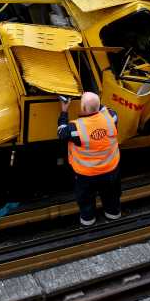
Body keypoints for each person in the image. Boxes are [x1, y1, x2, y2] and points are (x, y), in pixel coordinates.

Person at [57, 92, 121, 226]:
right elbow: (103, 109)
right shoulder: (112, 117)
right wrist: (92, 101)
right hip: (110, 170)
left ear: (84, 108)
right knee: (111, 195)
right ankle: (113, 214)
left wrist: (64, 110)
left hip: (86, 175)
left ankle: (88, 220)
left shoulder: (75, 128)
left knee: (86, 198)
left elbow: (61, 132)